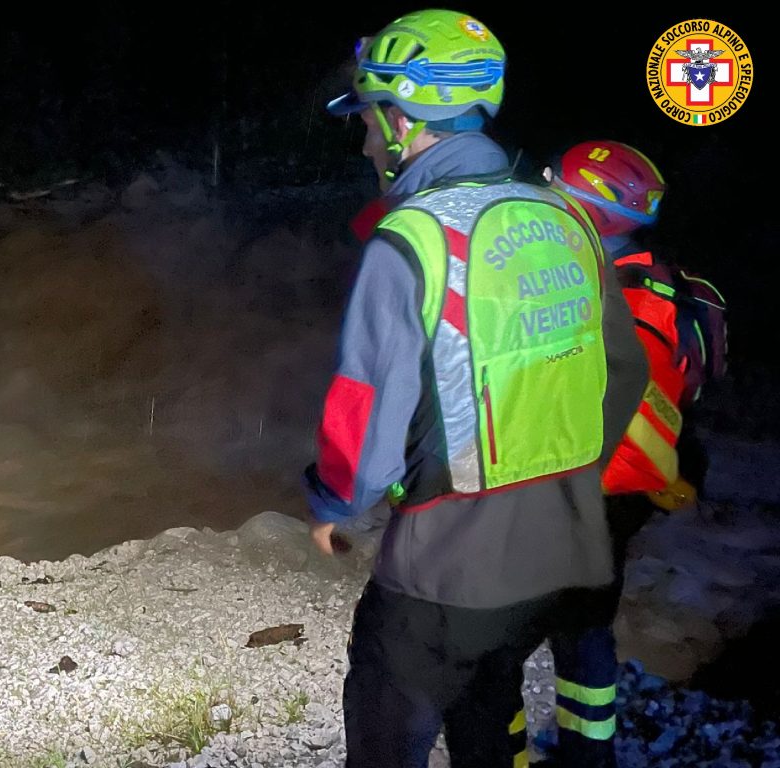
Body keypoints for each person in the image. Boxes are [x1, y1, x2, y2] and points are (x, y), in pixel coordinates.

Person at [303, 10, 649, 768]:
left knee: (388, 731)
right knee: (489, 717)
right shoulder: (568, 219)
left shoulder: (414, 236)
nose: (364, 141)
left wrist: (334, 505)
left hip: (444, 573)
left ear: (403, 118)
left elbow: (363, 424)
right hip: (563, 555)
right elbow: (624, 373)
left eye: (369, 120)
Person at [537, 140, 728, 767]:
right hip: (630, 487)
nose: (548, 203)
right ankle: (588, 752)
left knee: (507, 636)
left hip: (594, 485)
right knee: (584, 626)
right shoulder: (657, 280)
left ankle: (537, 753)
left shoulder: (613, 297)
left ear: (596, 214)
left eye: (560, 194)